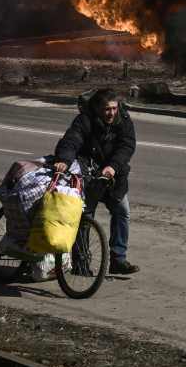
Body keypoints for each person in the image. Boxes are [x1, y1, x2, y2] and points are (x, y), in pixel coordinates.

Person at [52, 88, 139, 275]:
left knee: (122, 212)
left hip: (114, 176)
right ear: (98, 108)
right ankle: (81, 262)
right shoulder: (85, 119)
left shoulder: (123, 120)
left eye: (114, 108)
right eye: (108, 109)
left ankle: (118, 259)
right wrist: (64, 160)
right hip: (89, 174)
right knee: (85, 217)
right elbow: (71, 140)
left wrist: (113, 167)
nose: (111, 113)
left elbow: (127, 145)